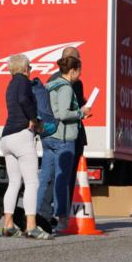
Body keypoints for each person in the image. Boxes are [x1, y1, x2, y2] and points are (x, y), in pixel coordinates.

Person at [37, 55, 92, 234]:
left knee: (45, 179)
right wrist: (81, 113)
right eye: (79, 71)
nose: (79, 75)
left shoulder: (51, 84)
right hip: (63, 138)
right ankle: (61, 219)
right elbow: (62, 113)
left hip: (48, 137)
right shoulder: (66, 87)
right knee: (62, 180)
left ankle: (39, 217)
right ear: (73, 70)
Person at [0, 53, 46, 238]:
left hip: (6, 138)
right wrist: (34, 119)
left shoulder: (11, 84)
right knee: (32, 182)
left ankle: (8, 224)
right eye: (30, 67)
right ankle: (31, 226)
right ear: (26, 68)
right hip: (21, 136)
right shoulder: (24, 82)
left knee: (14, 183)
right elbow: (24, 100)